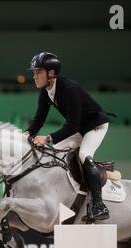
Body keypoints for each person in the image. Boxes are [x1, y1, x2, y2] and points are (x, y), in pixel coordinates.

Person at [22, 52, 111, 221]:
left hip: (95, 126)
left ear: (51, 73)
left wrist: (47, 138)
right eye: (34, 72)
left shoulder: (70, 89)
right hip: (79, 129)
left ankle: (99, 205)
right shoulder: (46, 92)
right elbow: (39, 119)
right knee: (54, 154)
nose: (34, 76)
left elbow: (72, 125)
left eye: (38, 72)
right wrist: (26, 134)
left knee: (84, 155)